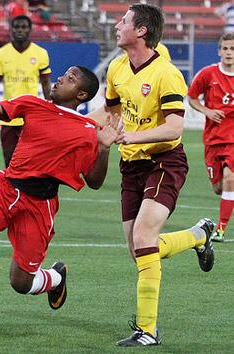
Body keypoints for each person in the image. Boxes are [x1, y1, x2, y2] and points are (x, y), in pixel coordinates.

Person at [0, 66, 121, 334]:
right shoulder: (33, 104)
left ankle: (55, 278)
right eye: (63, 74)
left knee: (21, 282)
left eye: (69, 78)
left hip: (39, 205)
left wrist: (103, 149)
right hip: (6, 188)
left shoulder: (89, 131)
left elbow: (95, 182)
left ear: (81, 94)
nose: (59, 79)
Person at [89, 4, 215, 346]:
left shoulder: (167, 74)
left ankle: (147, 330)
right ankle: (198, 235)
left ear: (141, 30)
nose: (118, 24)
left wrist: (132, 135)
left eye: (125, 20)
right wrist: (74, 121)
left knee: (144, 239)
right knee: (138, 250)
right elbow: (111, 111)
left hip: (164, 161)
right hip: (130, 166)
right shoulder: (117, 67)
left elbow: (174, 128)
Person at [188, 32, 234, 242]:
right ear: (219, 51)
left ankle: (221, 228)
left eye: (232, 49)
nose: (229, 53)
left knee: (229, 179)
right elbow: (191, 97)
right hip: (213, 139)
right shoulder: (208, 74)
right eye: (225, 48)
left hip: (232, 140)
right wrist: (207, 111)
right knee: (218, 187)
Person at [0, 15, 52, 167]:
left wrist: (51, 107)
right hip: (8, 115)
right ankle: (11, 190)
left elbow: (45, 82)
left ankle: (28, 190)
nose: (20, 30)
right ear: (11, 30)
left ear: (30, 30)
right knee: (9, 161)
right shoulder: (1, 53)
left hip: (31, 116)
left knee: (32, 160)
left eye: (24, 27)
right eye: (16, 27)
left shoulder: (41, 53)